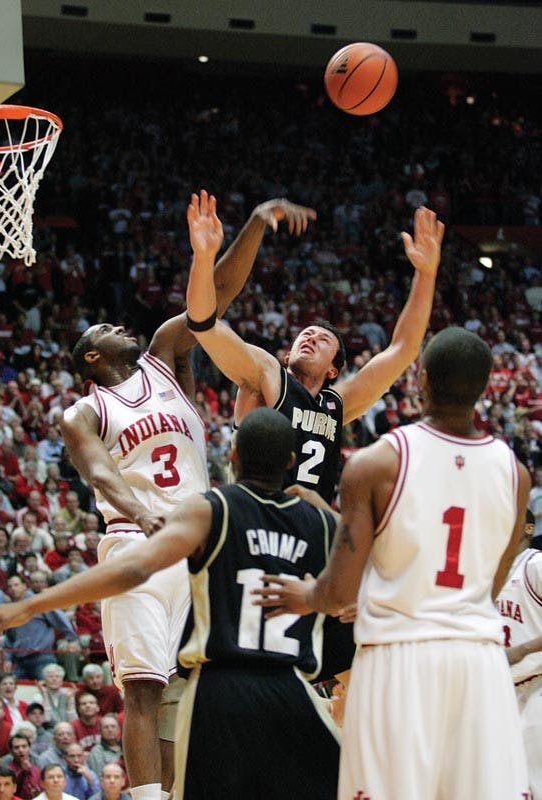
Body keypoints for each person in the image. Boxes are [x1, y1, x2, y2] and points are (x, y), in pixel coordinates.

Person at [57, 197, 316, 799]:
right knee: (144, 689)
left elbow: (213, 301)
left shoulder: (165, 356)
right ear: (91, 358)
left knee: (193, 689)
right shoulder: (85, 410)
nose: (120, 326)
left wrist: (253, 223)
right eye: (104, 331)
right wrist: (142, 512)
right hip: (135, 547)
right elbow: (100, 472)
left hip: (202, 542)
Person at [0, 407, 341, 799]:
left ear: (232, 455)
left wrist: (31, 605)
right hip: (291, 689)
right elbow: (354, 590)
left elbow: (133, 568)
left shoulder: (212, 508)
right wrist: (314, 591)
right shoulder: (320, 522)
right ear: (291, 462)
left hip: (222, 692)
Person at [252, 328, 532, 800]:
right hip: (477, 661)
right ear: (486, 388)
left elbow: (339, 593)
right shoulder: (516, 474)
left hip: (399, 657)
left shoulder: (376, 462)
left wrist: (304, 596)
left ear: (420, 380)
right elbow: (494, 578)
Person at [185, 190, 445, 678]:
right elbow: (204, 324)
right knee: (253, 661)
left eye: (323, 339)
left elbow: (403, 349)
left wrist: (425, 274)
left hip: (312, 531)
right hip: (257, 520)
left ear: (333, 369)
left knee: (341, 659)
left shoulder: (337, 402)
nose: (309, 336)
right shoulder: (266, 374)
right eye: (303, 334)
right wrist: (203, 259)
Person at [496, 507, 542, 798]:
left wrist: (521, 651)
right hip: (499, 693)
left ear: (527, 528)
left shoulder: (535, 565)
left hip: (537, 686)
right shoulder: (488, 576)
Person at [0, 574, 80, 679]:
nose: (13, 589)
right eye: (10, 587)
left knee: (47, 687)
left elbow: (60, 618)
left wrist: (72, 639)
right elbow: (9, 638)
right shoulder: (11, 609)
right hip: (20, 660)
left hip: (42, 657)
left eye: (16, 585)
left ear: (24, 586)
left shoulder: (38, 601)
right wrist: (8, 659)